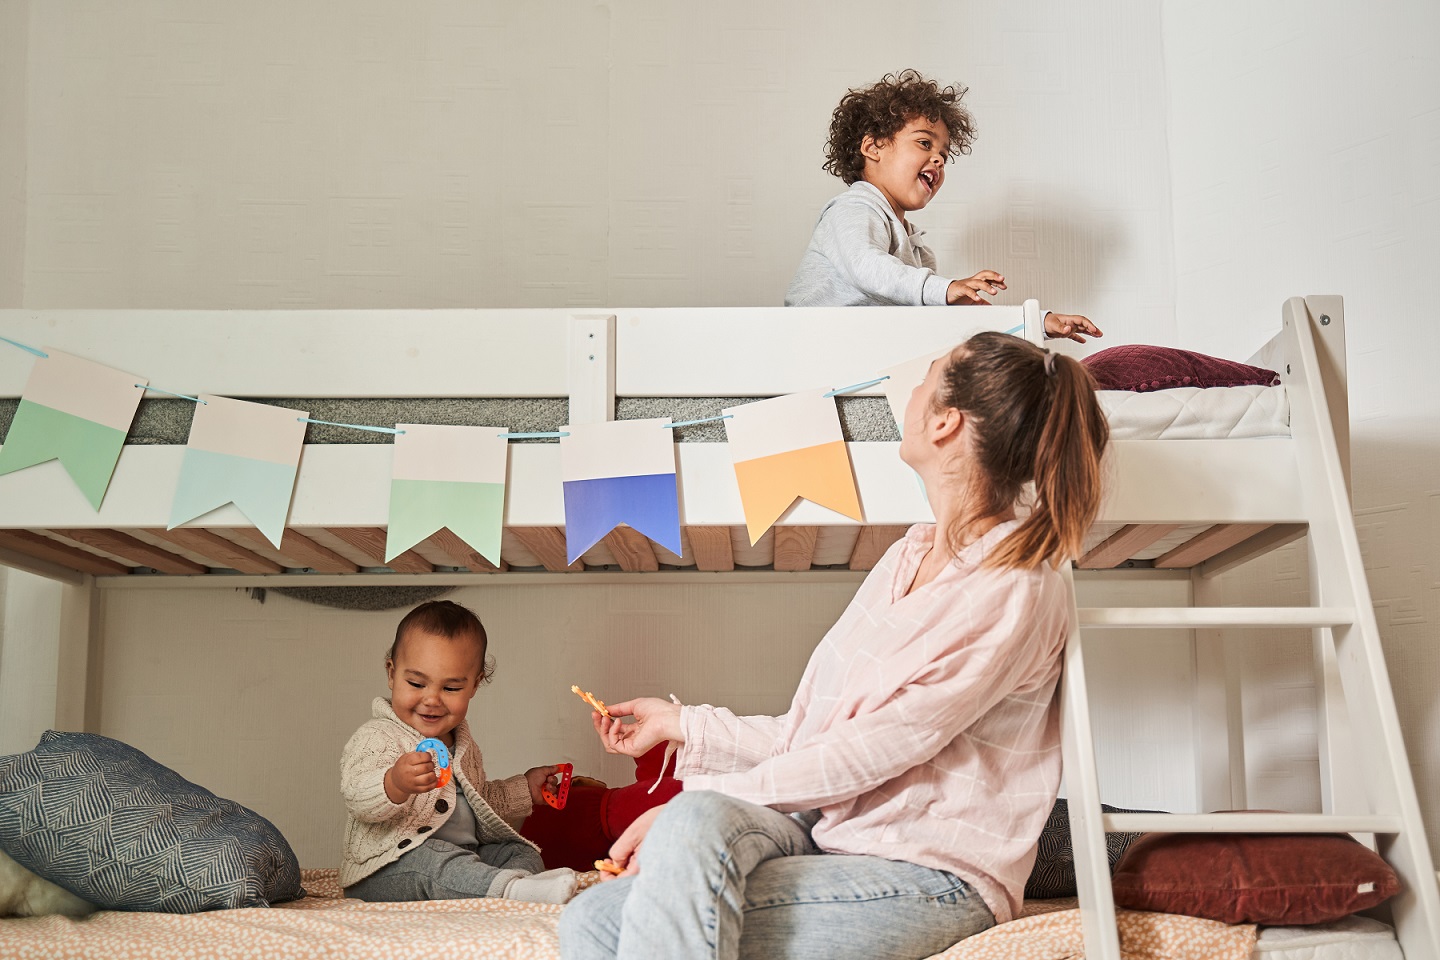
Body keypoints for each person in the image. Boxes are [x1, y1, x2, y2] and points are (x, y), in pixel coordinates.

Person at [559, 331, 1110, 960]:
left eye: (923, 382)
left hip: (929, 877)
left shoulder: (1014, 585)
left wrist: (692, 809)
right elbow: (815, 737)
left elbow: (873, 751)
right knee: (597, 913)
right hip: (831, 842)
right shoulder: (906, 558)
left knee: (659, 857)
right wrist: (681, 723)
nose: (907, 397)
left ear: (945, 423)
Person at [785, 70, 1102, 344]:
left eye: (944, 155)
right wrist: (945, 289)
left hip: (867, 355)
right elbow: (869, 268)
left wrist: (1032, 322)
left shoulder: (918, 253)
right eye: (924, 143)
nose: (937, 159)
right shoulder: (852, 209)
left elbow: (940, 320)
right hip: (814, 350)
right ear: (873, 147)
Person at [340, 599, 579, 904]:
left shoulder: (463, 745)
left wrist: (525, 788)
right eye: (416, 683)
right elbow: (356, 798)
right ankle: (509, 890)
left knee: (520, 849)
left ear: (474, 685)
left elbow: (480, 801)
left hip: (464, 857)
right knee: (431, 860)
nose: (431, 699)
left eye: (450, 689)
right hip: (389, 867)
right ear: (391, 673)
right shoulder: (377, 737)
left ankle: (518, 886)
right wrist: (394, 783)